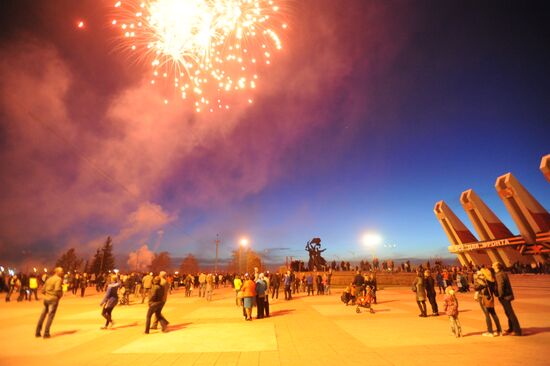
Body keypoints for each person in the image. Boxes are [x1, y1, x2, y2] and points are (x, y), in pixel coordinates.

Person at [493, 262, 521, 336]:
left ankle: (517, 330)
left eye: (494, 265)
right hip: (507, 296)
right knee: (508, 312)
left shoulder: (499, 275)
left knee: (510, 313)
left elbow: (500, 285)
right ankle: (511, 328)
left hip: (504, 297)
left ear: (497, 267)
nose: (492, 265)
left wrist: (500, 295)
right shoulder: (503, 273)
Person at [35, 267, 63, 338]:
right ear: (57, 272)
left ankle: (37, 332)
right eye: (61, 271)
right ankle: (46, 333)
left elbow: (43, 290)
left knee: (43, 315)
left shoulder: (49, 279)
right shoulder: (58, 279)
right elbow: (57, 290)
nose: (62, 273)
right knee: (50, 316)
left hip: (46, 299)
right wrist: (60, 296)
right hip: (53, 299)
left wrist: (48, 294)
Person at [474, 268, 501, 337]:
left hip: (483, 298)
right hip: (490, 298)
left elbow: (476, 288)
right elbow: (495, 291)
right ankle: (499, 330)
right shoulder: (492, 280)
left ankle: (490, 331)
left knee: (487, 315)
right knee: (493, 314)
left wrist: (476, 279)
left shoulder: (483, 281)